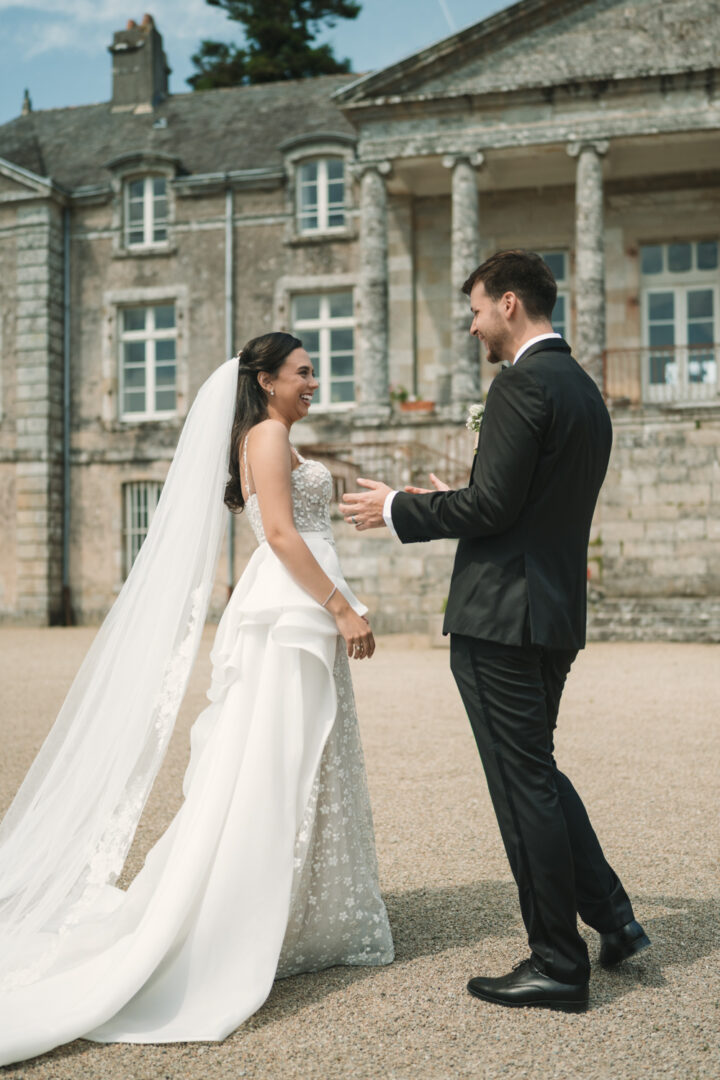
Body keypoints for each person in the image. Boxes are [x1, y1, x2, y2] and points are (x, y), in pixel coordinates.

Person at [0, 332, 393, 1066]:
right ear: (267, 380)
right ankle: (235, 919)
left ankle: (291, 912)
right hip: (292, 612)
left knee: (299, 757)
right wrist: (343, 607)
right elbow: (279, 532)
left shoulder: (273, 436)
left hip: (291, 607)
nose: (315, 383)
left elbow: (301, 522)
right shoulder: (269, 436)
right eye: (304, 373)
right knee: (273, 762)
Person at [340, 249, 649, 1013]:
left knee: (522, 788)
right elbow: (521, 502)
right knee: (537, 772)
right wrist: (468, 494)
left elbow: (491, 511)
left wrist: (397, 508)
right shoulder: (584, 391)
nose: (473, 324)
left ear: (510, 304)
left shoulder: (518, 384)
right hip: (552, 614)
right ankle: (614, 918)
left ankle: (557, 963)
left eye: (476, 309)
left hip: (501, 618)